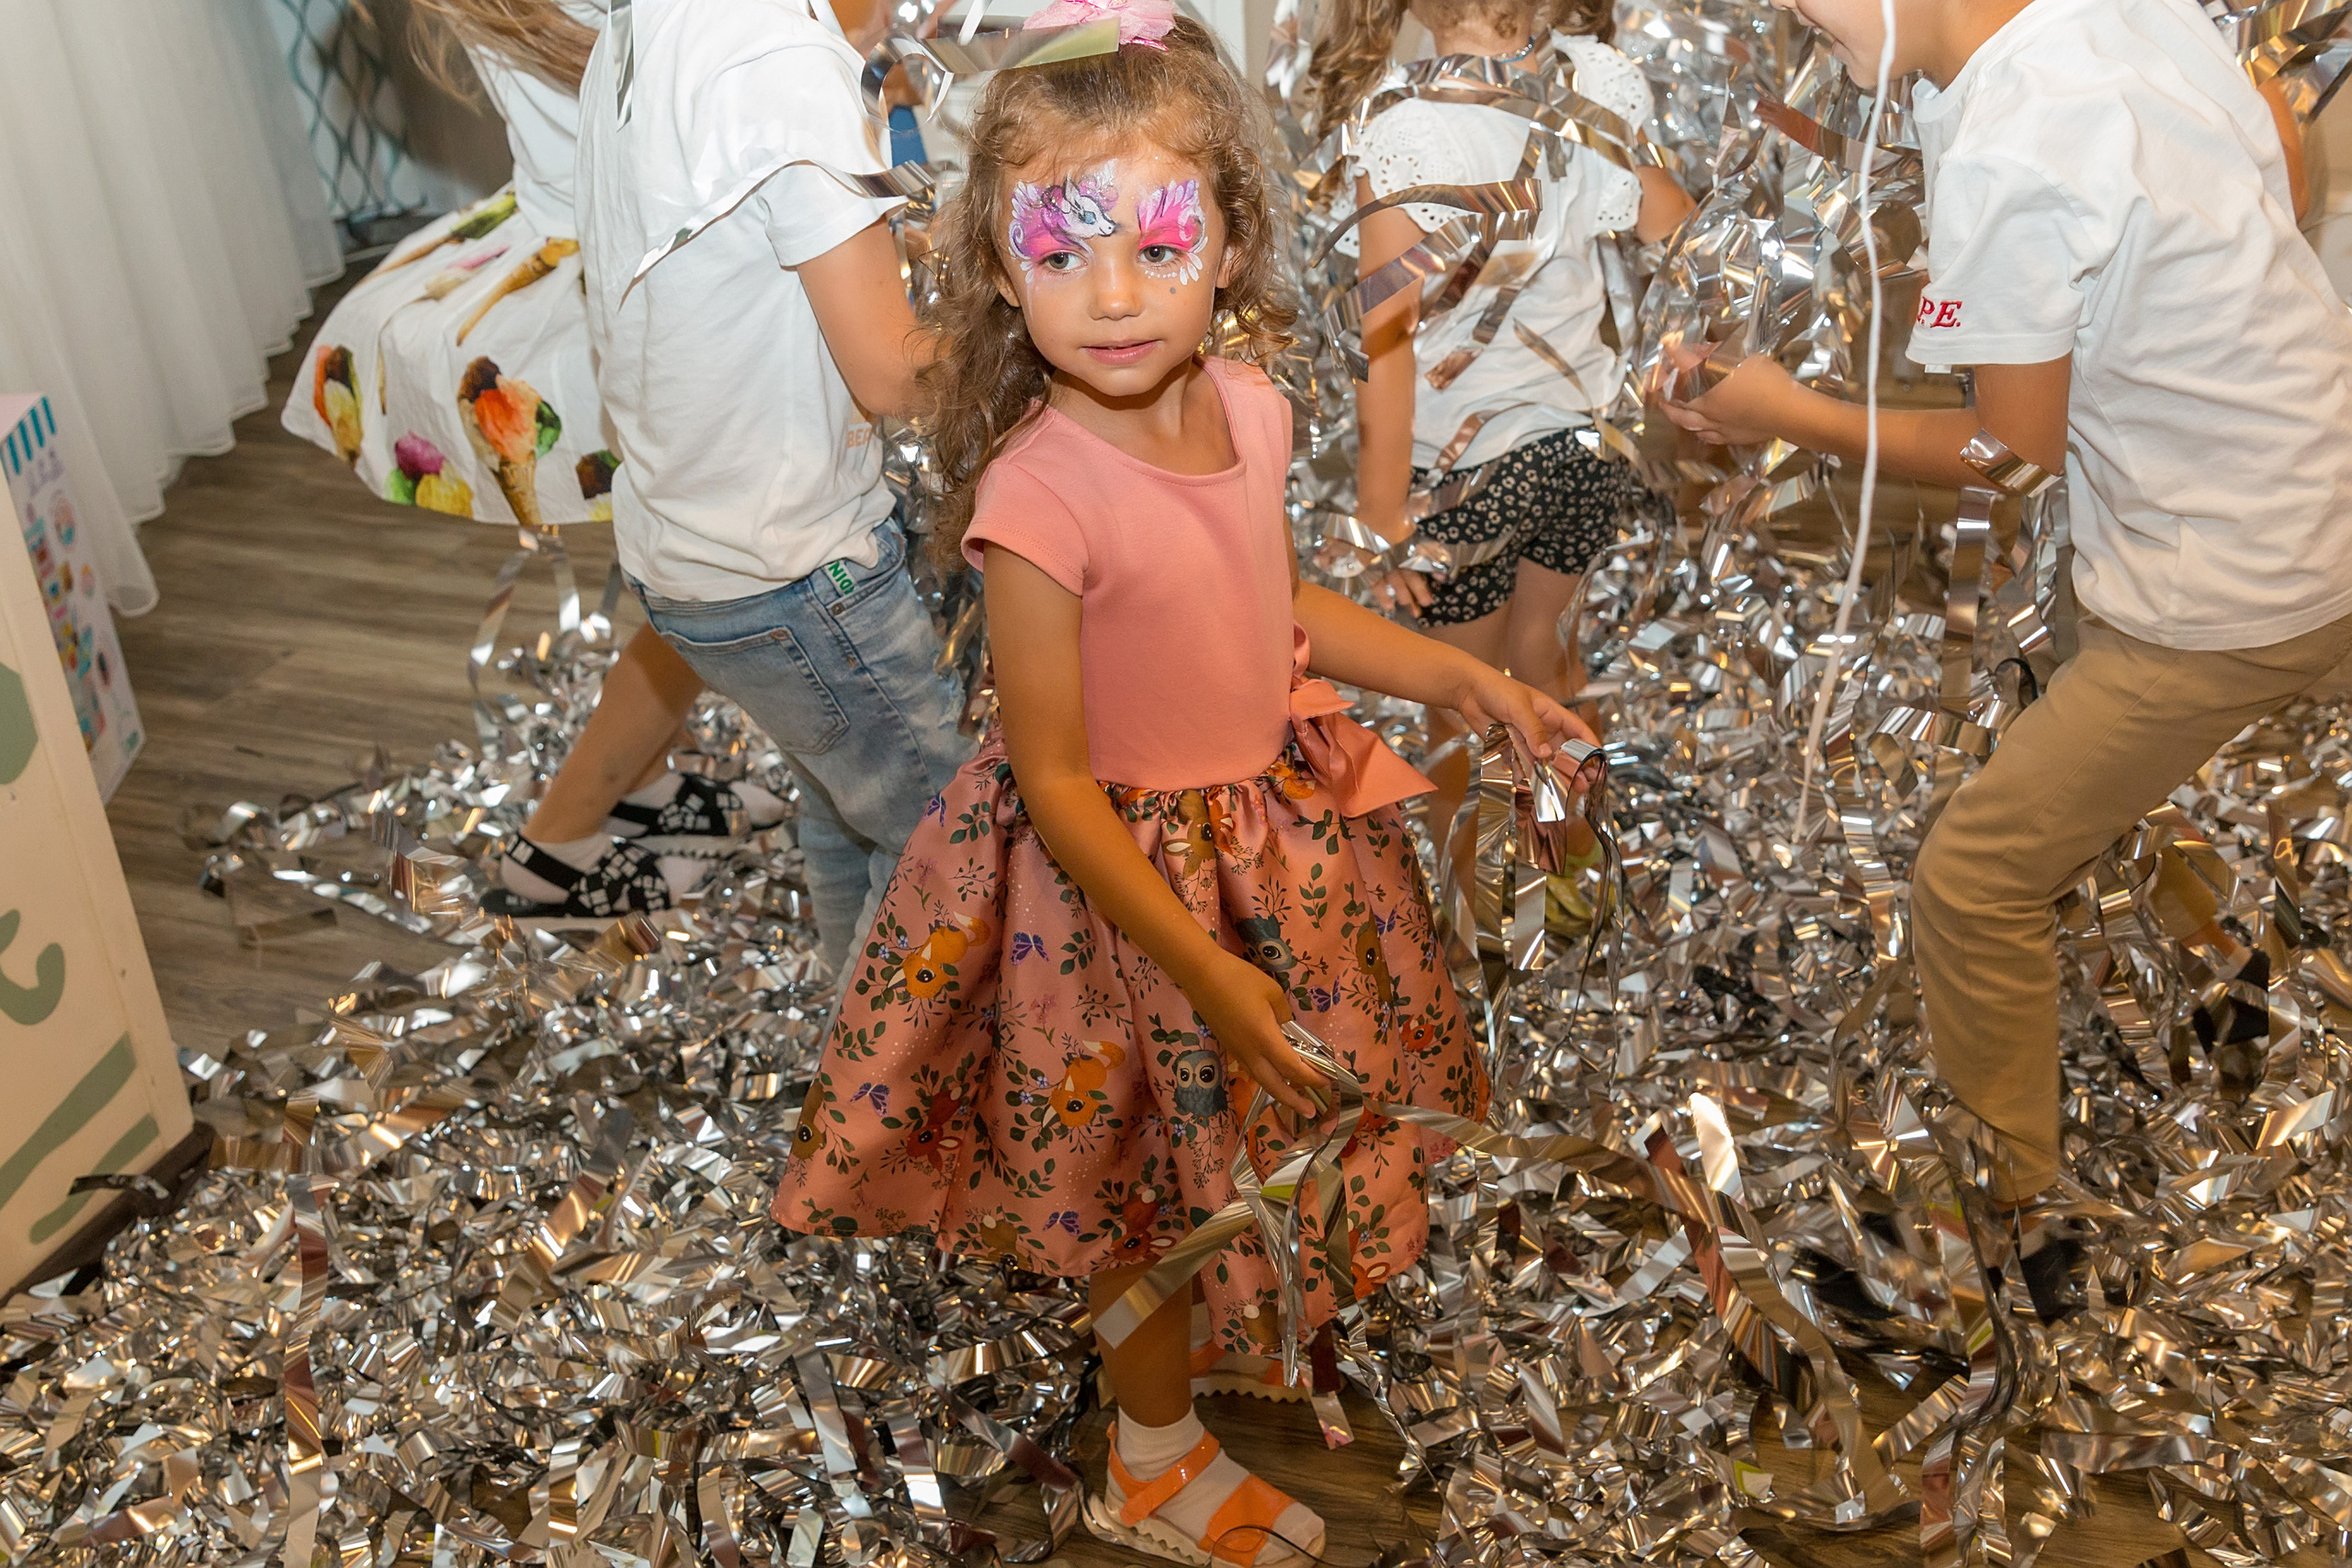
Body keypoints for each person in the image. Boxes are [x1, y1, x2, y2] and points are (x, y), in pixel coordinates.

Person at [769, 8, 1593, 1562]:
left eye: (1157, 242)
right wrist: (1204, 968)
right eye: (1062, 252)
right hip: (1111, 910)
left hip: (1268, 844)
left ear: (1230, 241)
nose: (1116, 291)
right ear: (1001, 274)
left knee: (1250, 1141)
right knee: (1134, 1195)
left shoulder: (1256, 404)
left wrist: (1461, 676)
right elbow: (1060, 782)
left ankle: (1239, 1328)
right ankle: (1148, 1457)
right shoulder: (1038, 496)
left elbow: (1280, 608)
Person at [1658, 0, 2352, 1303]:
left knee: (1970, 879)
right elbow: (2272, 141)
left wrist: (1781, 411)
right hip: (2312, 483)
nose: (1791, 13)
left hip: (2236, 577)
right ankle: (2219, 976)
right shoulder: (2117, 17)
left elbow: (2007, 453)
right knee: (2072, 740)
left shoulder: (2017, 139)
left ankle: (2012, 1226)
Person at [569, 0, 974, 971]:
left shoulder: (648, 27)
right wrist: (1046, 313)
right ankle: (871, 1113)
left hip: (693, 563)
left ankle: (846, 1064)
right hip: (799, 575)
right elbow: (890, 372)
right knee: (951, 844)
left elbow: (745, 250)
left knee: (847, 815)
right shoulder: (780, 55)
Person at [1311, 0, 1690, 829]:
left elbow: (1387, 334)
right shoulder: (1593, 78)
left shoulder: (1405, 132)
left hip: (1466, 478)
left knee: (1463, 710)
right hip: (1587, 453)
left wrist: (1381, 514)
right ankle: (1574, 859)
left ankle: (1477, 906)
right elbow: (1677, 228)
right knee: (1551, 671)